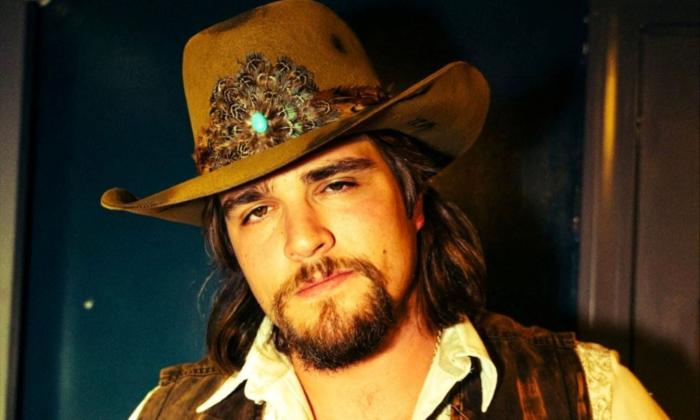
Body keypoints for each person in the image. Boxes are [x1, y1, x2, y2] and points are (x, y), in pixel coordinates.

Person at [102, 1, 668, 418]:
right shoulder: (164, 414)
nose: (303, 240)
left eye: (336, 184)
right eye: (255, 210)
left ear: (412, 197)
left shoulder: (592, 400)